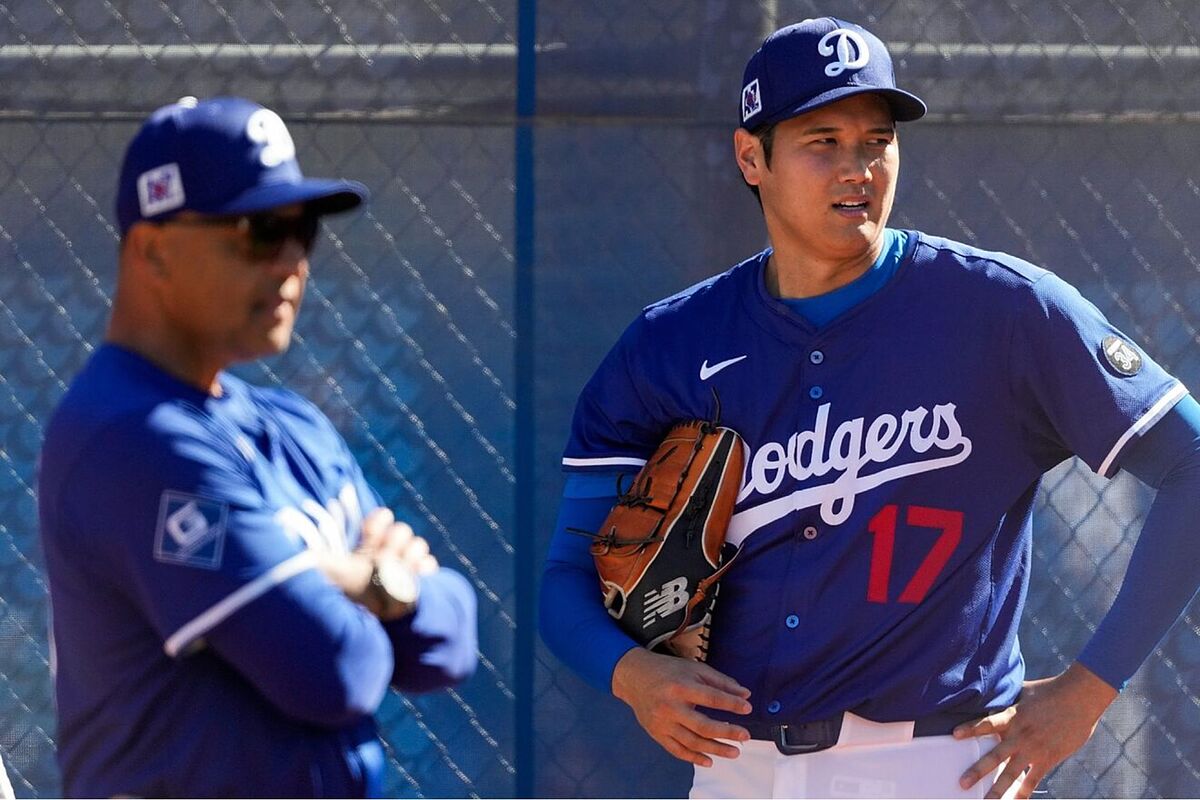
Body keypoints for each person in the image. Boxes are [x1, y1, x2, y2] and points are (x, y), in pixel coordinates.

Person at [540, 17, 1200, 800]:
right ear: (751, 158)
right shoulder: (670, 343)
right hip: (738, 768)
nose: (858, 168)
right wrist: (628, 672)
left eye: (877, 142)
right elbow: (565, 576)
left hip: (938, 762)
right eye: (823, 142)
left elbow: (1191, 461)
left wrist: (1090, 688)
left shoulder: (1002, 310)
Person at [37, 96, 478, 798]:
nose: (292, 262)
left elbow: (452, 640)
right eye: (258, 231)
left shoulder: (293, 425)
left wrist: (358, 582)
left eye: (302, 231)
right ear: (152, 250)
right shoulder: (127, 435)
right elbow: (333, 670)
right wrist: (378, 585)